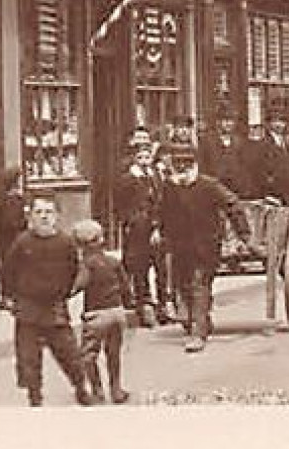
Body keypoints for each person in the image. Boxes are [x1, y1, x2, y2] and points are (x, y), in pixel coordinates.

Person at [159, 143, 253, 353]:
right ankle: (200, 321)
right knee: (182, 285)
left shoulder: (208, 185)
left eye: (187, 163)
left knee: (199, 285)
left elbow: (233, 204)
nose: (182, 167)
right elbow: (162, 211)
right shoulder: (170, 187)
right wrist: (160, 231)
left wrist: (243, 235)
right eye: (178, 163)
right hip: (179, 246)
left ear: (195, 164)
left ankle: (198, 333)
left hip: (206, 246)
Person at [0, 194, 93, 406]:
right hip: (28, 308)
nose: (44, 217)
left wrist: (69, 291)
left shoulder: (66, 243)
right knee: (29, 359)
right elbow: (9, 272)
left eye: (49, 212)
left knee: (70, 354)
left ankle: (80, 388)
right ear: (30, 216)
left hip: (55, 309)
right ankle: (35, 396)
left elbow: (75, 270)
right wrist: (9, 298)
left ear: (57, 216)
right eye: (39, 212)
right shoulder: (22, 242)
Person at [71, 219, 133, 404]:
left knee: (88, 356)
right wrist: (127, 305)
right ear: (101, 240)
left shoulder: (87, 264)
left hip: (96, 315)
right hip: (116, 311)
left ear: (80, 244)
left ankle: (98, 390)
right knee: (113, 353)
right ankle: (116, 389)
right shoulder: (113, 261)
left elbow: (79, 285)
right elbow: (125, 287)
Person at [113, 132, 169, 326]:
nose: (145, 161)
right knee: (140, 269)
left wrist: (159, 225)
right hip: (138, 230)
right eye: (141, 158)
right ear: (135, 159)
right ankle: (143, 307)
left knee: (162, 269)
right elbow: (120, 205)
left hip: (157, 229)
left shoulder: (156, 176)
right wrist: (130, 221)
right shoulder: (128, 178)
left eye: (148, 157)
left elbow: (162, 201)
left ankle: (163, 306)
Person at [0, 167, 28, 275]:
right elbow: (11, 223)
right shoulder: (13, 201)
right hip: (12, 239)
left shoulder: (3, 200)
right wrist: (25, 220)